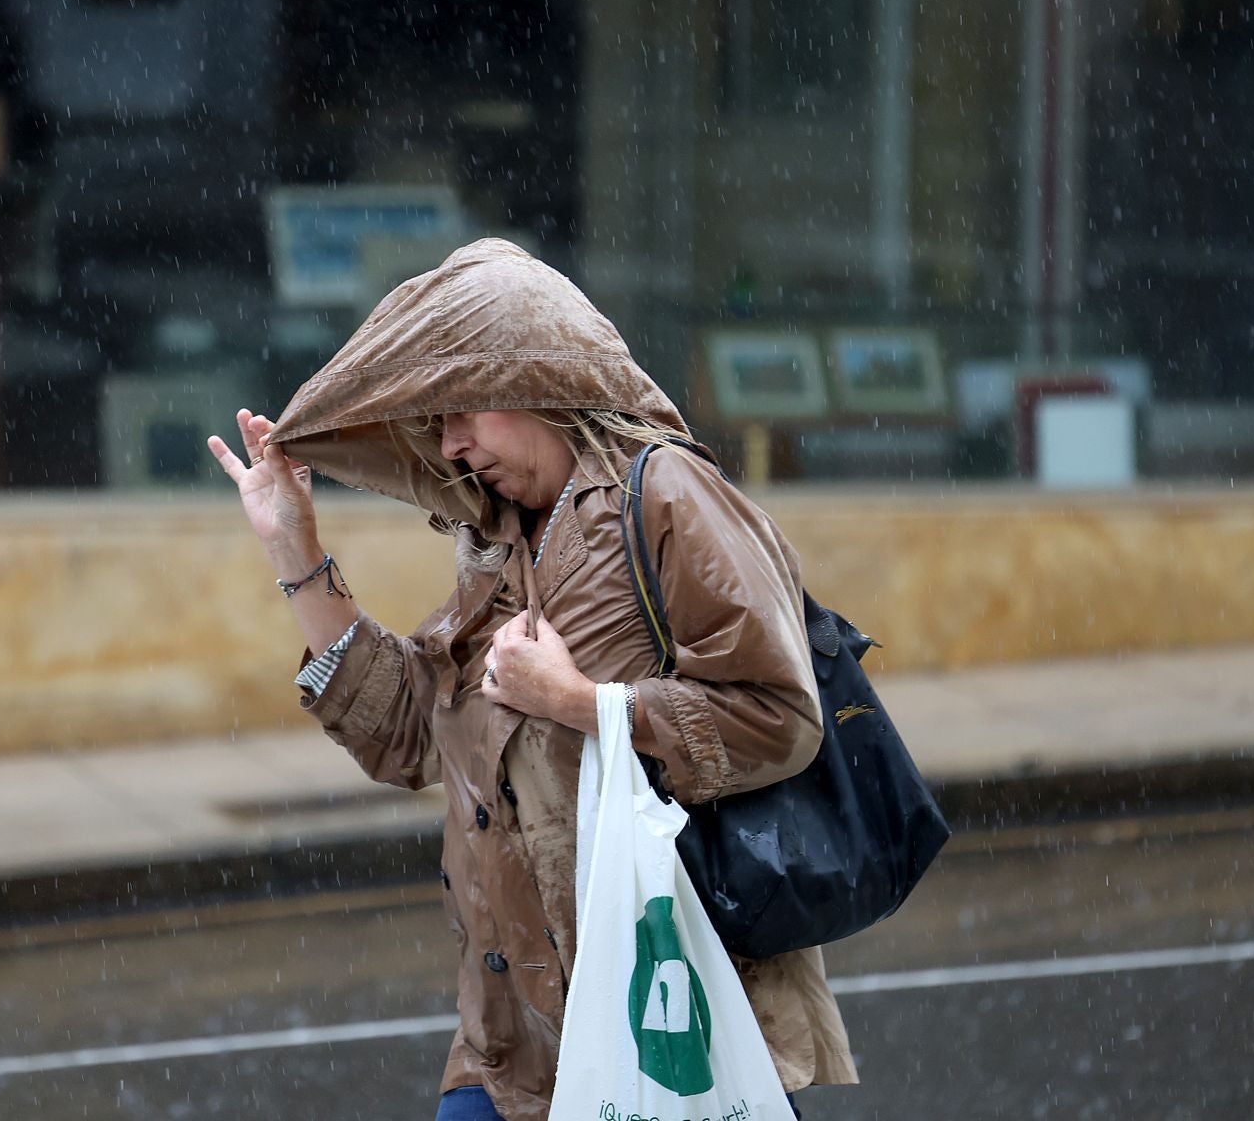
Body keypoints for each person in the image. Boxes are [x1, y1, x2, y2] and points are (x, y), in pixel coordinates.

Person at [207, 239, 854, 1121]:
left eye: (466, 408)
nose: (451, 444)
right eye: (435, 421)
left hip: (662, 1017)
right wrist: (297, 550)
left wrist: (579, 703)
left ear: (540, 376)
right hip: (509, 1046)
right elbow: (411, 737)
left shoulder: (664, 495)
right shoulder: (497, 537)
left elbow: (781, 715)